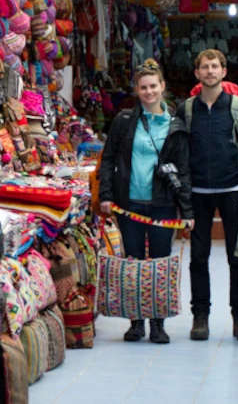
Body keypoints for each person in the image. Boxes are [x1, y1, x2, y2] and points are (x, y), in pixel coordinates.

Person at [98, 59, 194, 344]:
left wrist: (187, 210)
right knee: (134, 263)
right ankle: (136, 321)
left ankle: (158, 323)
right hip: (129, 203)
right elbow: (109, 159)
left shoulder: (175, 126)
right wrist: (106, 195)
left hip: (162, 204)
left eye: (154, 86)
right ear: (137, 90)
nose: (149, 91)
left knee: (160, 265)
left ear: (163, 87)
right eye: (144, 87)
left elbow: (183, 170)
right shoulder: (125, 121)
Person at [179, 49, 238, 343]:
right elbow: (178, 156)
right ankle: (200, 317)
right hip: (198, 194)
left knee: (237, 256)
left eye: (214, 66)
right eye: (204, 67)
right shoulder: (186, 109)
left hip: (233, 191)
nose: (209, 71)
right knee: (198, 258)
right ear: (197, 74)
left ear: (223, 71)